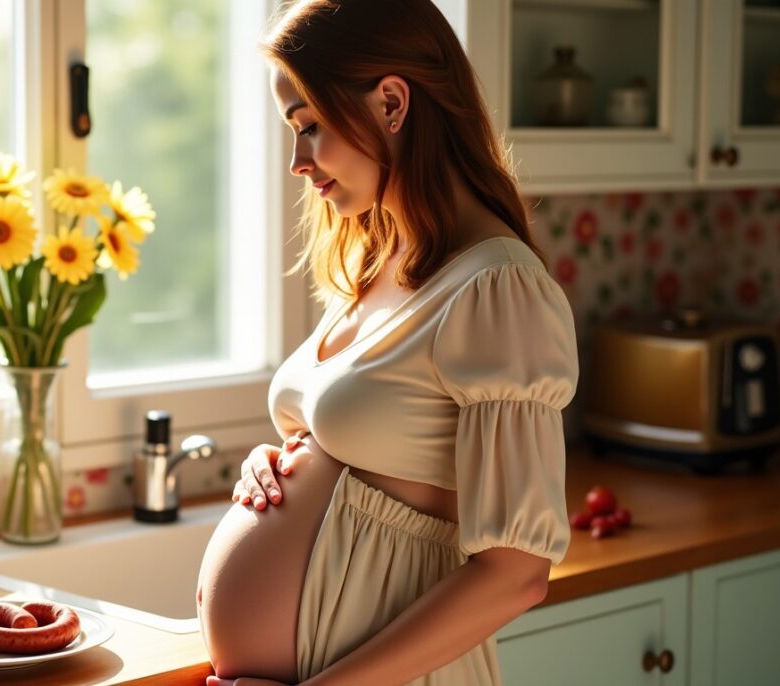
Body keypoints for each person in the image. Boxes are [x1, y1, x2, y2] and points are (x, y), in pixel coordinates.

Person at [202, 1, 579, 684]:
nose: (297, 161)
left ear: (392, 102)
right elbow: (376, 458)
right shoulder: (380, 266)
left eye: (309, 126)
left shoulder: (497, 290)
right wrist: (277, 466)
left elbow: (516, 575)